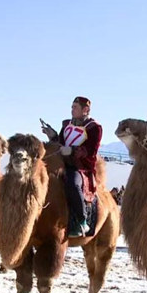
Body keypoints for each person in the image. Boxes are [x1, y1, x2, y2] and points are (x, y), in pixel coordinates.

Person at [42, 96, 102, 237]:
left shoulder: (94, 128)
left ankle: (82, 221)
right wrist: (53, 136)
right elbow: (61, 144)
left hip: (80, 167)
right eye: (71, 107)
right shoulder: (67, 125)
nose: (72, 110)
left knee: (72, 184)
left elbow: (90, 151)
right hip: (62, 163)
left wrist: (72, 151)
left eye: (75, 107)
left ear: (85, 110)